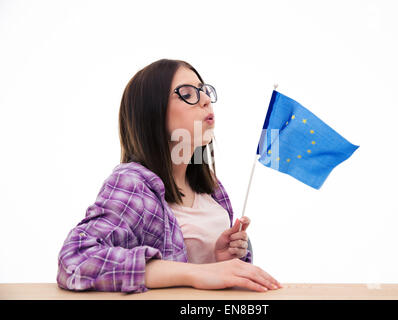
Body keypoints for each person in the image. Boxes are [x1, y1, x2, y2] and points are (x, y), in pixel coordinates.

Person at [56, 58, 282, 293]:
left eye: (204, 91)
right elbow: (75, 260)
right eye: (187, 93)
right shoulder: (132, 182)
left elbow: (210, 279)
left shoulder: (214, 190)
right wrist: (197, 273)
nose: (205, 99)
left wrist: (221, 259)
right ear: (152, 112)